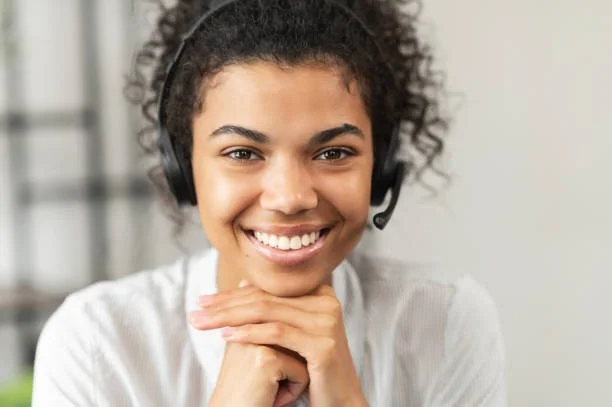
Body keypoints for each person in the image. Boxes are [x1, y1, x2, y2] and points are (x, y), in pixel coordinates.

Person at [31, 0, 507, 406]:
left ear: (380, 170)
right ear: (182, 167)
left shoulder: (444, 323)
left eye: (333, 152)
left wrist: (344, 397)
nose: (290, 198)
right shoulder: (97, 342)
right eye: (243, 153)